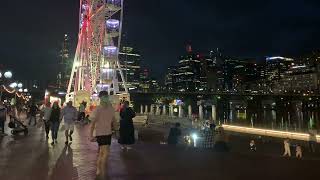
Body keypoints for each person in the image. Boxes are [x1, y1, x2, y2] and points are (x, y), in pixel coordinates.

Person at [89, 91, 116, 179]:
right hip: (101, 134)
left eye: (106, 96)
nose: (105, 98)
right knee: (106, 153)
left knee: (101, 153)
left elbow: (114, 120)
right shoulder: (97, 109)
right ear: (100, 98)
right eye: (104, 96)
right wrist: (90, 135)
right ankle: (103, 172)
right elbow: (92, 123)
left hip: (107, 133)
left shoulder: (111, 109)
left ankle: (98, 168)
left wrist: (116, 129)